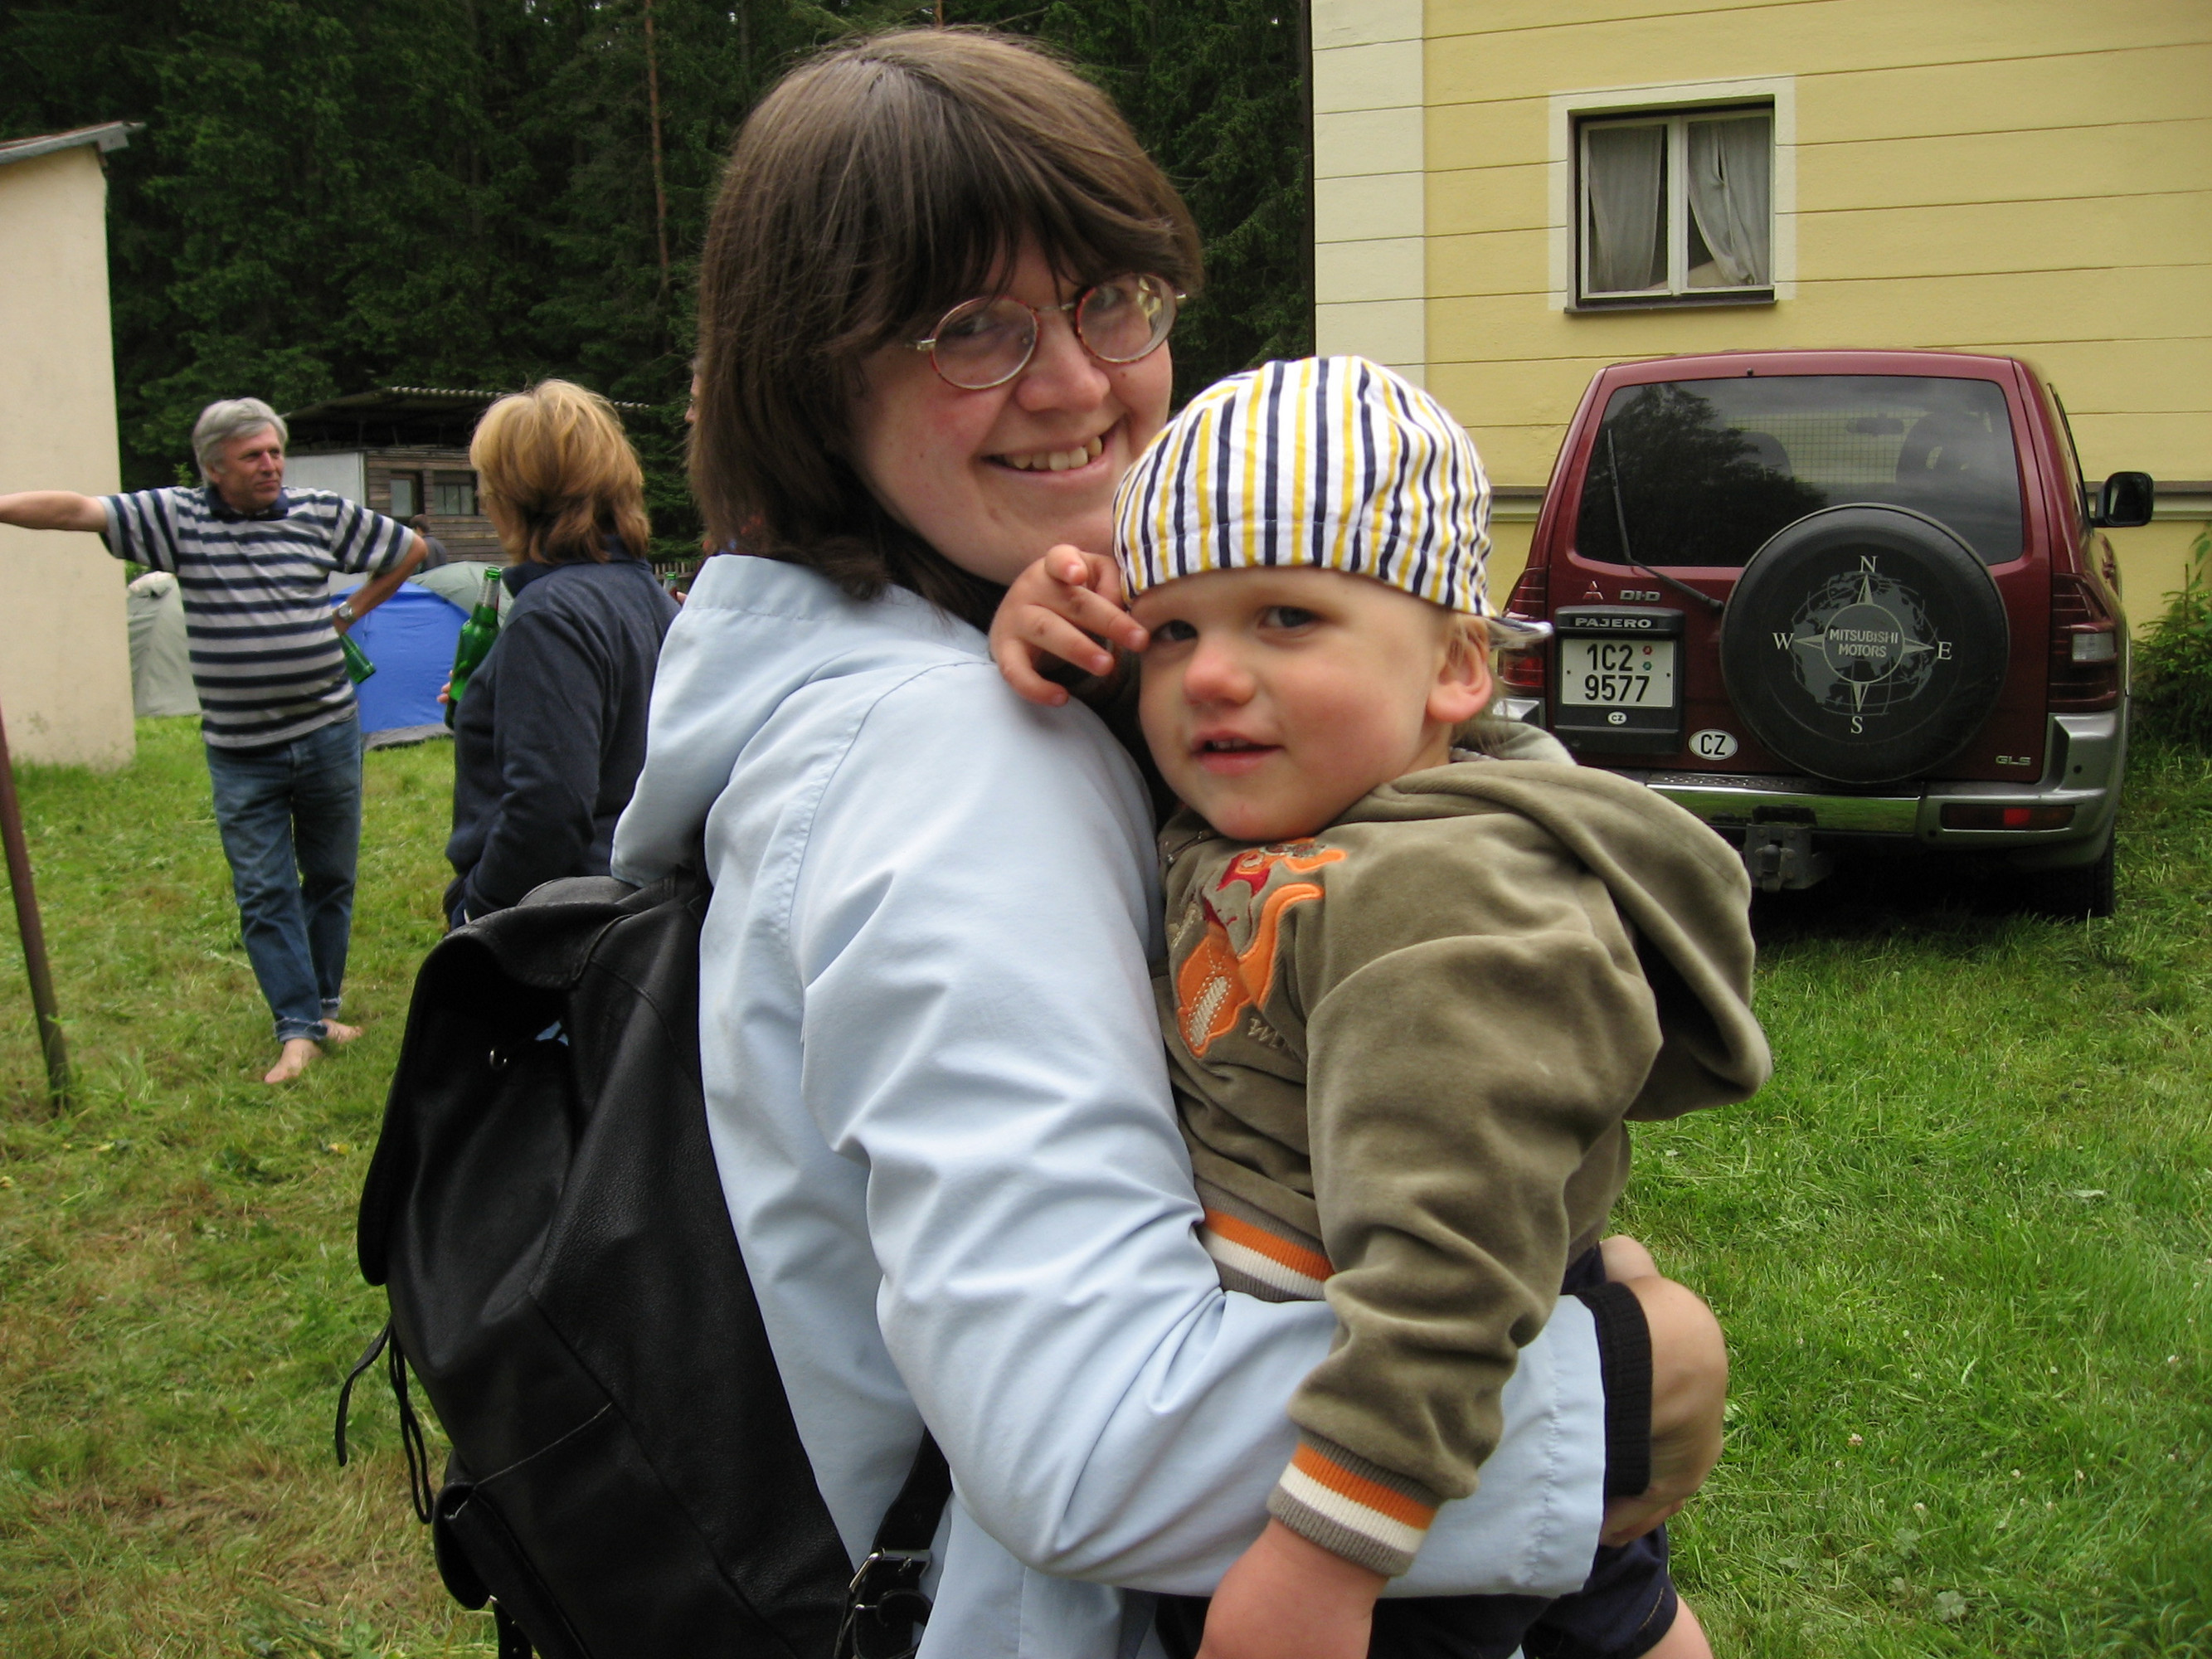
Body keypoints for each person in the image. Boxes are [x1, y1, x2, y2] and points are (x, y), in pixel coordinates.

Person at [609, 29, 1726, 1657]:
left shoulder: (998, 669)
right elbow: (1086, 1436)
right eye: (969, 327)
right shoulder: (950, 759)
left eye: (1112, 298)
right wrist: (1608, 1392)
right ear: (811, 379)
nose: (1076, 383)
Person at [991, 357, 1772, 1659]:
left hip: (1394, 1460)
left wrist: (1322, 1557)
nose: (1209, 677)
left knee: (1598, 1607)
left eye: (1286, 618)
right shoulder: (1298, 806)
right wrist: (1058, 640)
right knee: (1613, 1612)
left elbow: (1445, 1266)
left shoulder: (1443, 899)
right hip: (1329, 1396)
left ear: (1456, 666)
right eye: (1171, 630)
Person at [0, 397, 426, 1083]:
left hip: (327, 733)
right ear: (213, 468)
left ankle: (322, 1008)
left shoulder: (318, 512)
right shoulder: (177, 518)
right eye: (253, 456)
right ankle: (297, 1029)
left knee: (330, 877)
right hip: (241, 749)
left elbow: (409, 550)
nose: (271, 465)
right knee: (264, 890)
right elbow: (77, 510)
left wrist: (347, 611)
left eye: (276, 452)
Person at [442, 382, 678, 927]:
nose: (483, 499)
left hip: (561, 925)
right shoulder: (649, 597)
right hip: (639, 911)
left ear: (515, 493)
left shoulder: (550, 616)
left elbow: (549, 807)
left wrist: (481, 910)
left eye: (485, 481)